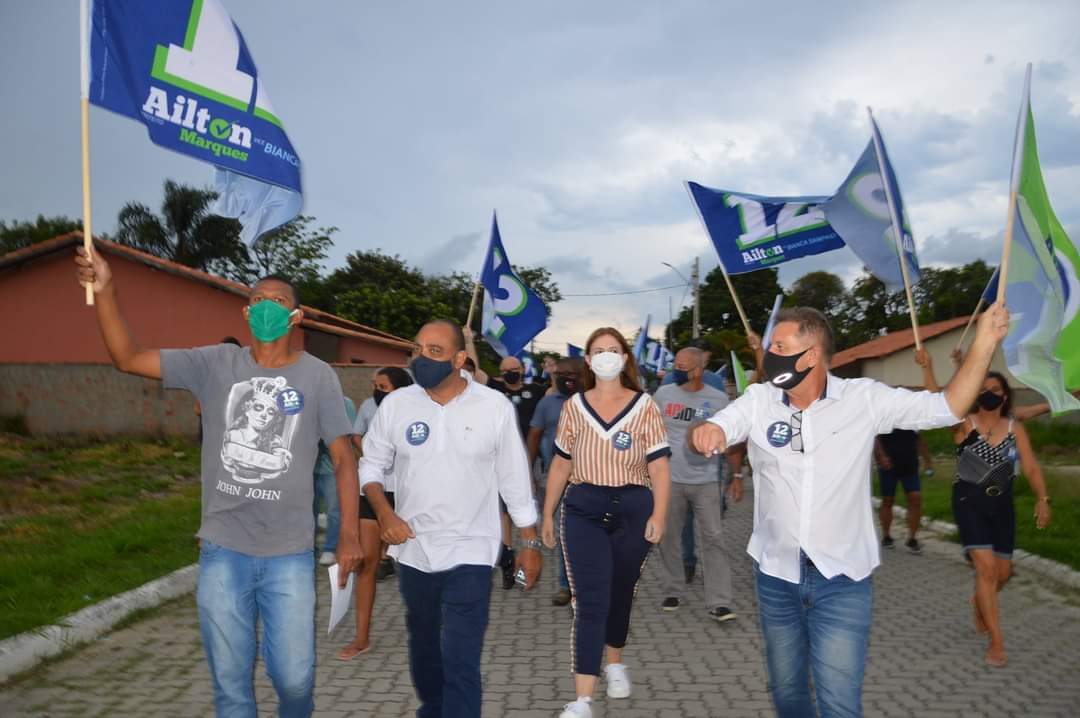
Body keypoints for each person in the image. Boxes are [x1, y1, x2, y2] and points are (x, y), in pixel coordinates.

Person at [75, 246, 361, 718]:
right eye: (258, 299)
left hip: (288, 553)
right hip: (223, 550)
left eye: (278, 300)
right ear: (246, 312)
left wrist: (349, 532)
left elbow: (344, 458)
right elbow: (128, 357)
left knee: (294, 679)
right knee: (230, 686)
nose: (267, 306)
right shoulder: (215, 364)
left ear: (296, 316)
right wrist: (106, 290)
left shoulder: (318, 376)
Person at [689, 304, 1009, 718]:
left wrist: (984, 343)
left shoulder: (863, 398)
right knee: (787, 690)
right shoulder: (759, 399)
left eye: (780, 346)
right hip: (776, 575)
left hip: (842, 578)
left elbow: (947, 406)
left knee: (839, 701)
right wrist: (709, 430)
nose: (770, 354)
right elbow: (723, 423)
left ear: (811, 355)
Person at [359, 320, 542, 717]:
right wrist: (385, 513)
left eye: (435, 351)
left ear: (460, 359)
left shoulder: (492, 406)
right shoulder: (398, 404)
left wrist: (529, 542)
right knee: (424, 642)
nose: (422, 358)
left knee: (461, 654)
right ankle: (433, 707)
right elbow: (371, 465)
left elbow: (513, 477)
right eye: (417, 349)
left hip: (472, 549)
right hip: (415, 548)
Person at [541, 327, 671, 718]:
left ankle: (615, 662)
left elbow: (659, 466)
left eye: (613, 350)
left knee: (621, 590)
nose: (606, 356)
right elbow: (561, 463)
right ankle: (583, 700)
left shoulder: (644, 405)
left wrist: (660, 513)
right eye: (598, 351)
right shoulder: (573, 407)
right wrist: (547, 513)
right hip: (584, 508)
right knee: (590, 599)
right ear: (588, 359)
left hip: (634, 506)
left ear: (625, 357)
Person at [920, 352, 1051, 667]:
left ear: (1005, 396)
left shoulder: (1014, 427)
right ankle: (996, 641)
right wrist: (928, 368)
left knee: (1003, 573)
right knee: (987, 570)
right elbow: (938, 402)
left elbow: (1031, 467)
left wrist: (1042, 498)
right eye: (982, 389)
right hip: (969, 502)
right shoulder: (965, 423)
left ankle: (981, 599)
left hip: (1002, 505)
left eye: (994, 390)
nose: (988, 394)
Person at [653, 347, 741, 622]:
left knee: (714, 539)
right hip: (670, 479)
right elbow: (650, 433)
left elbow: (731, 440)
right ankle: (672, 589)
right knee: (669, 537)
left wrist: (736, 476)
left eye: (683, 367)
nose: (677, 371)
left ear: (698, 370)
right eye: (675, 366)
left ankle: (719, 601)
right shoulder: (663, 395)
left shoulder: (718, 400)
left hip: (706, 481)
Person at [338, 367, 414, 660]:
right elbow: (357, 439)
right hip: (371, 491)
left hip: (409, 494)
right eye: (375, 386)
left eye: (383, 386)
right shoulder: (370, 408)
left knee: (422, 566)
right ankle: (361, 638)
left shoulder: (420, 412)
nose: (377, 391)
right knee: (366, 563)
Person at [486, 351, 546, 589]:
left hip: (531, 459)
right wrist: (468, 340)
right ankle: (507, 559)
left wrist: (552, 372)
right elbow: (474, 371)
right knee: (504, 511)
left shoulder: (536, 391)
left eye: (514, 369)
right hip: (500, 461)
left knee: (527, 510)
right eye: (505, 371)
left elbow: (556, 393)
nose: (510, 374)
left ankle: (528, 556)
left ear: (522, 370)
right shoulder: (495, 392)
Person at [527, 357, 583, 606]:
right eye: (560, 374)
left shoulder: (594, 400)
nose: (566, 378)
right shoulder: (547, 403)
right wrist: (528, 471)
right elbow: (534, 436)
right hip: (556, 476)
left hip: (592, 477)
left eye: (572, 374)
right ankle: (565, 585)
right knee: (563, 533)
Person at [314, 395, 358, 566]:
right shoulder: (309, 399)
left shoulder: (345, 403)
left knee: (334, 510)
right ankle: (310, 548)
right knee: (308, 511)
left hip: (332, 468)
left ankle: (330, 548)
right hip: (309, 467)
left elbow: (348, 434)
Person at [873, 425, 927, 555]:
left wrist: (928, 461)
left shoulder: (913, 419)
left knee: (915, 498)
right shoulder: (887, 417)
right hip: (889, 465)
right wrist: (881, 456)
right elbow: (876, 437)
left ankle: (912, 539)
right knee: (888, 500)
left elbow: (919, 439)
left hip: (910, 464)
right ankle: (886, 536)